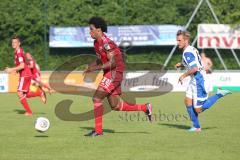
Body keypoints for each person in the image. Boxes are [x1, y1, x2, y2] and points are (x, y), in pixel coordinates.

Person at [84, 17, 152, 137]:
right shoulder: (96, 43)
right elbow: (101, 59)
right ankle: (145, 107)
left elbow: (113, 62)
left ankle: (98, 131)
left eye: (91, 29)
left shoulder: (107, 43)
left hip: (114, 73)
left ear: (99, 30)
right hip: (109, 73)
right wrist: (91, 66)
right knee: (115, 106)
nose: (89, 31)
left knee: (96, 98)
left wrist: (94, 69)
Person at [175, 30, 231, 132]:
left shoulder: (187, 52)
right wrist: (182, 64)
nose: (177, 42)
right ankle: (196, 127)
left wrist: (183, 75)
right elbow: (194, 64)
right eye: (177, 40)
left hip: (199, 81)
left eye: (179, 40)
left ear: (186, 40)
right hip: (194, 80)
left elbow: (195, 68)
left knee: (198, 109)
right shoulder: (191, 49)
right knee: (187, 101)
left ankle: (219, 94)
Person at [4, 36, 46, 116]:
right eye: (12, 42)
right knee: (24, 94)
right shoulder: (17, 52)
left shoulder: (19, 52)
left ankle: (29, 112)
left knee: (20, 93)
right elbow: (21, 66)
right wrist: (15, 71)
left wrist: (11, 69)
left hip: (25, 74)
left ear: (19, 43)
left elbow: (22, 66)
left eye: (15, 42)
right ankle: (39, 93)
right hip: (25, 74)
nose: (13, 44)